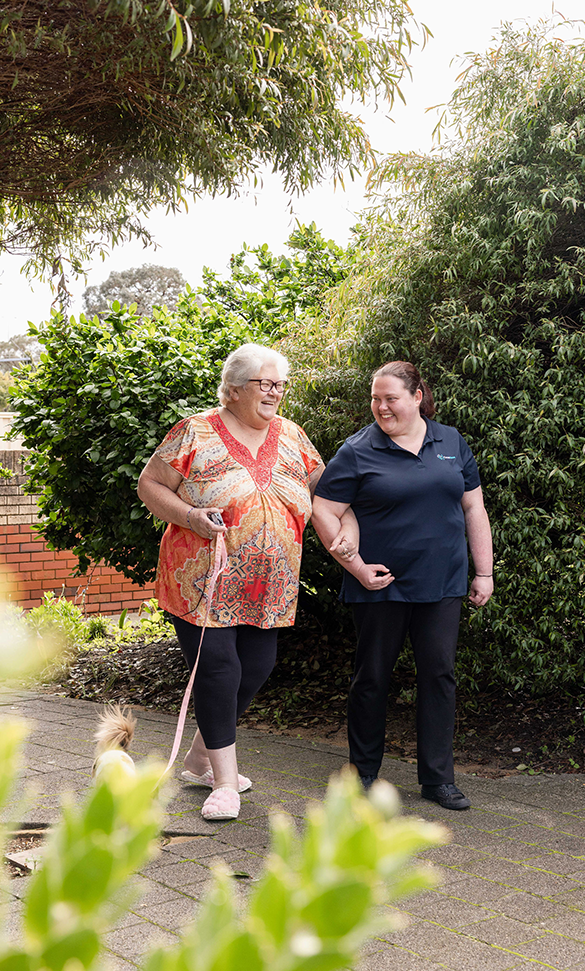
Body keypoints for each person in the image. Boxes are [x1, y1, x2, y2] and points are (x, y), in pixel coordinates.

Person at [137, 343, 353, 821]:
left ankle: (199, 757)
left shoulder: (294, 436)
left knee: (256, 667)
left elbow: (327, 494)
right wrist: (191, 515)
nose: (276, 392)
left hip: (269, 586)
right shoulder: (194, 431)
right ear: (234, 389)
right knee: (219, 669)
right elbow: (149, 484)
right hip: (201, 582)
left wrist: (352, 534)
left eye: (280, 384)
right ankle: (225, 783)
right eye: (266, 383)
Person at [311, 361, 493, 811]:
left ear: (417, 396)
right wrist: (355, 567)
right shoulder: (357, 450)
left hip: (443, 583)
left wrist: (484, 572)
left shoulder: (450, 441)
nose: (381, 407)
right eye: (375, 398)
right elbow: (322, 510)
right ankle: (364, 774)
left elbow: (474, 509)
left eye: (390, 398)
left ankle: (438, 779)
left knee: (439, 677)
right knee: (372, 678)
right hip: (380, 585)